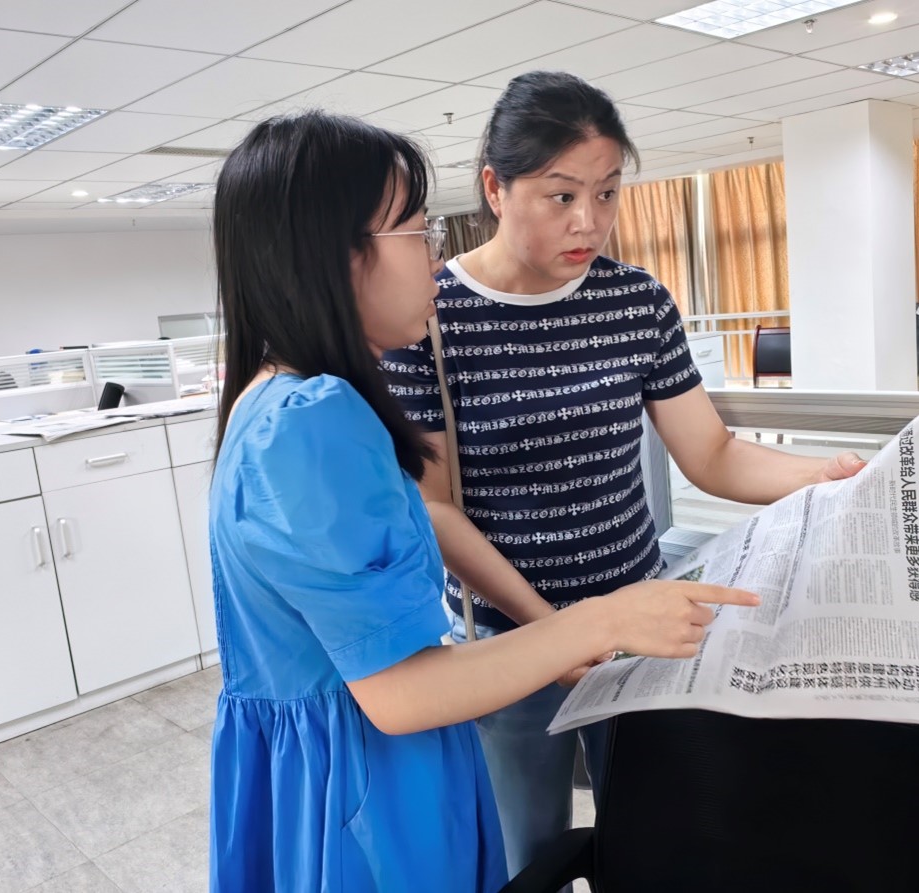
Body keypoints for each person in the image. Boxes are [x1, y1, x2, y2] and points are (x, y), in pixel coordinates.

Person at [207, 110, 759, 892]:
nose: (433, 261)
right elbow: (400, 690)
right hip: (367, 786)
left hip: (348, 768)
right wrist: (601, 619)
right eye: (416, 231)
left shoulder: (278, 401)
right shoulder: (314, 421)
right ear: (336, 253)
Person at [381, 70, 867, 882]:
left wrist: (828, 475)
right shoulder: (429, 317)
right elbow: (437, 509)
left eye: (607, 192)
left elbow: (712, 454)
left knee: (650, 832)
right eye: (561, 195)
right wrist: (554, 630)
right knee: (524, 854)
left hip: (638, 632)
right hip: (509, 642)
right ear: (496, 188)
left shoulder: (636, 301)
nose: (590, 221)